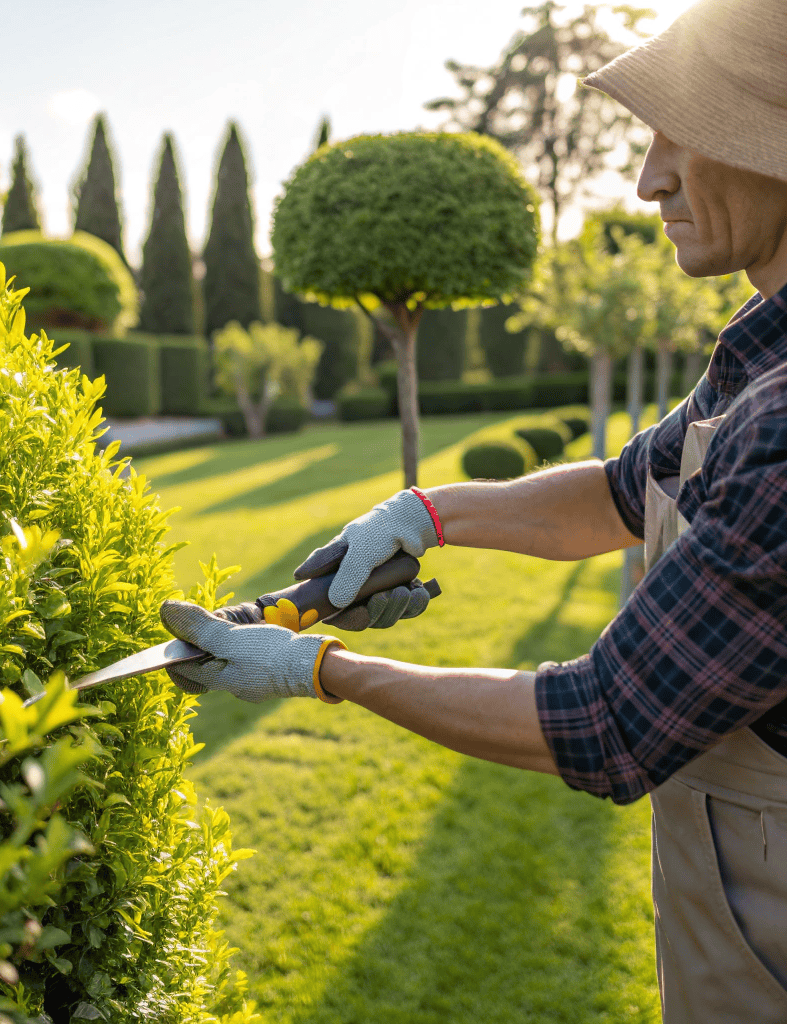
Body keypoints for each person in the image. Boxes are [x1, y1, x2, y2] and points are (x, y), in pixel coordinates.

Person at [159, 1, 787, 1020]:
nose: (647, 179)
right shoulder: (759, 347)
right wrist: (421, 512)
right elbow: (623, 490)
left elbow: (603, 722)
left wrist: (316, 669)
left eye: (684, 136)